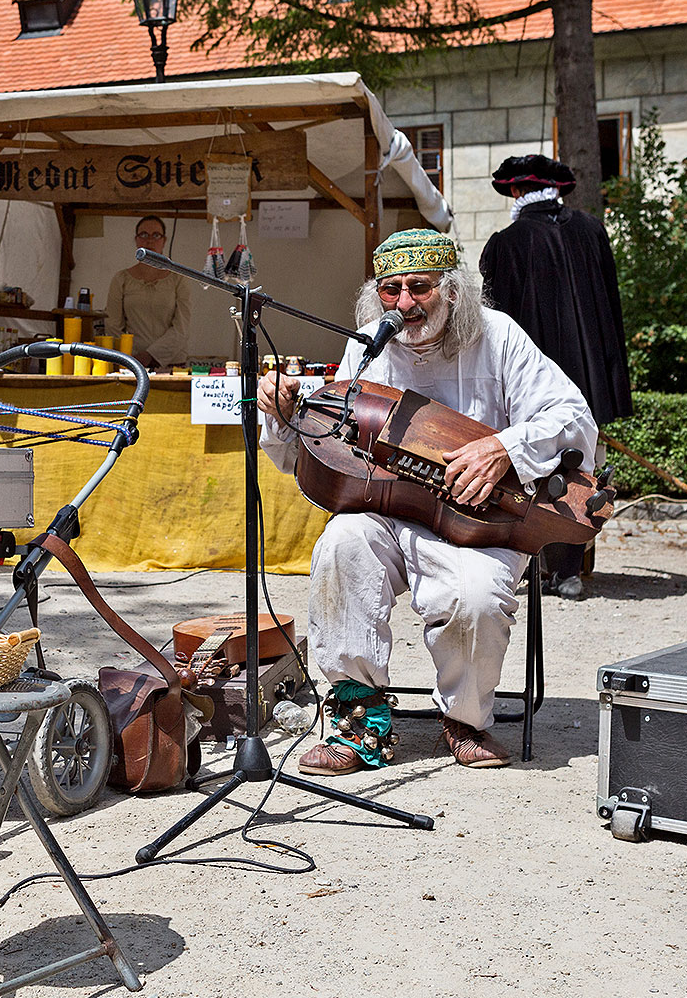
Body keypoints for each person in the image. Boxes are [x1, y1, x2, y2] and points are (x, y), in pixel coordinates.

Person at [258, 228, 596, 771]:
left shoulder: (498, 336)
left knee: (478, 597)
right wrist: (283, 414)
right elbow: (330, 438)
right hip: (388, 511)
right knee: (340, 544)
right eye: (391, 290)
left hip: (481, 517)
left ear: (453, 289)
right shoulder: (369, 342)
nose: (405, 304)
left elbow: (572, 417)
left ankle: (464, 718)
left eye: (420, 287)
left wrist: (503, 448)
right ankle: (357, 715)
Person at [480, 154, 631, 600]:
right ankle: (570, 570)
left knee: (530, 469)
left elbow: (493, 325)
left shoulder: (505, 244)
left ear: (514, 193)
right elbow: (612, 313)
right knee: (583, 470)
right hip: (589, 381)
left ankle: (534, 564)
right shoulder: (592, 230)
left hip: (532, 382)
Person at [103, 215, 191, 369]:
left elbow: (181, 329)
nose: (149, 241)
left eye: (156, 235)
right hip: (131, 363)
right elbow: (113, 325)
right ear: (136, 240)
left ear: (164, 240)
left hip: (171, 364)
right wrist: (129, 358)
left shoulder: (178, 279)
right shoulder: (121, 279)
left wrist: (150, 355)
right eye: (143, 235)